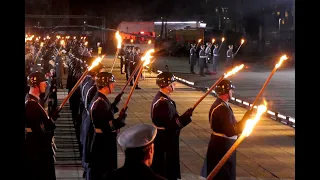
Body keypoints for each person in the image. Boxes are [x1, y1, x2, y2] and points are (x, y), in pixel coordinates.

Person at [200, 79, 248, 180]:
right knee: (224, 174)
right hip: (222, 146)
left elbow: (232, 126)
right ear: (226, 92)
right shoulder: (222, 109)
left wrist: (246, 118)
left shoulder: (221, 104)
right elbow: (230, 131)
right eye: (231, 90)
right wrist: (246, 120)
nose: (232, 92)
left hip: (219, 143)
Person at [150, 72, 193, 180]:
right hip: (165, 140)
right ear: (168, 85)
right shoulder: (162, 102)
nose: (175, 85)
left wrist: (184, 116)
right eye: (173, 83)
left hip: (165, 138)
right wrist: (184, 118)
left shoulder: (163, 99)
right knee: (165, 168)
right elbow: (170, 125)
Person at [87, 72, 127, 180]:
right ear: (105, 84)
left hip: (102, 141)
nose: (113, 85)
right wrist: (120, 120)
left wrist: (115, 104)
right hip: (103, 143)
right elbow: (106, 126)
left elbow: (106, 113)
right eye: (111, 83)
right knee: (104, 171)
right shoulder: (100, 102)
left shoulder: (101, 98)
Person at [25, 71, 58, 180]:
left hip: (39, 149)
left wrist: (50, 119)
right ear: (36, 85)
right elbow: (39, 129)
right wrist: (51, 119)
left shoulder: (34, 101)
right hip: (37, 151)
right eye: (43, 82)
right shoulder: (30, 105)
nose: (46, 84)